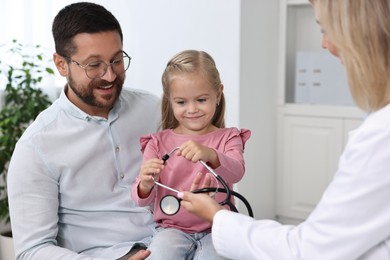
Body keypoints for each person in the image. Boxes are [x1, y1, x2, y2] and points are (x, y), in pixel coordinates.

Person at [179, 0, 390, 259]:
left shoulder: (382, 135)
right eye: (181, 101)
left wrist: (217, 215)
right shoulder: (161, 139)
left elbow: (311, 250)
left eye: (325, 30)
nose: (325, 44)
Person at [7, 2, 161, 259]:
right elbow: (32, 251)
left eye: (116, 60)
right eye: (94, 65)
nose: (110, 75)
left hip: (176, 242)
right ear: (61, 64)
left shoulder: (153, 109)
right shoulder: (36, 147)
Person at [131, 50, 251, 259]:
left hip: (216, 229)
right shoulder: (157, 143)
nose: (192, 109)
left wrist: (210, 154)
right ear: (170, 100)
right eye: (181, 102)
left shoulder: (229, 137)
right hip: (171, 230)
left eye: (201, 99)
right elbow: (141, 200)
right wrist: (145, 184)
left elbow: (237, 172)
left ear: (218, 93)